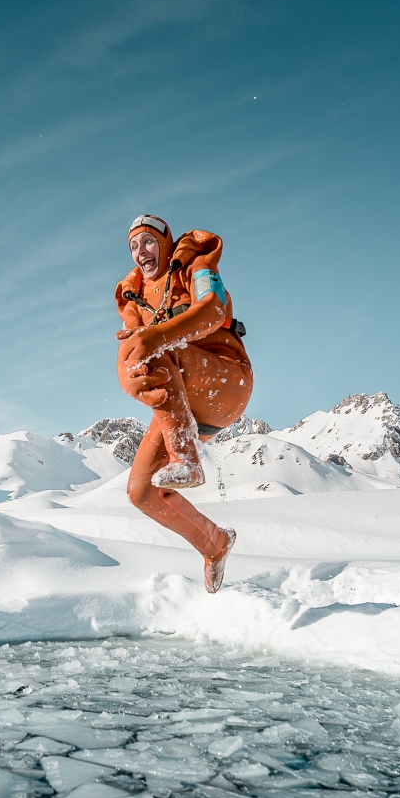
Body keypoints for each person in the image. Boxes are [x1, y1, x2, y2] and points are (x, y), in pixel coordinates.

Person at [115, 214, 253, 593]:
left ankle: (187, 460)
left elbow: (213, 309)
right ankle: (215, 544)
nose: (140, 251)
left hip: (226, 379)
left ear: (165, 242)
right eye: (133, 246)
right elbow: (134, 345)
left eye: (147, 241)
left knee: (152, 346)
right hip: (187, 407)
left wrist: (157, 336)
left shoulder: (194, 266)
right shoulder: (135, 294)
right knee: (141, 491)